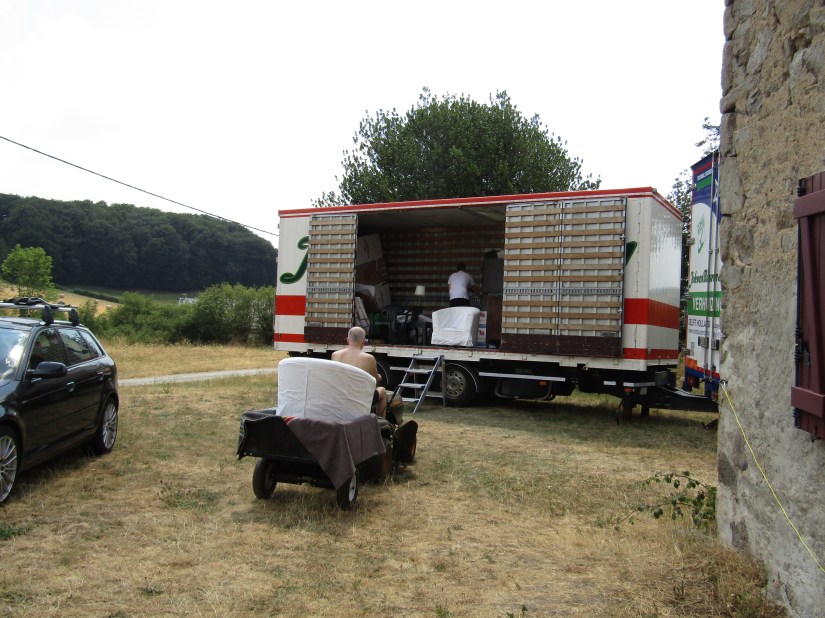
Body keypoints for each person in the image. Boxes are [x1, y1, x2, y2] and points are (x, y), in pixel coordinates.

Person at [331, 326, 388, 417]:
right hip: (359, 398)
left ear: (347, 340)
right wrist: (379, 376)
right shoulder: (368, 358)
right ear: (363, 341)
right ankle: (380, 421)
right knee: (382, 391)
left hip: (339, 396)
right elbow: (376, 379)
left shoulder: (335, 355)